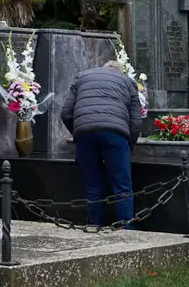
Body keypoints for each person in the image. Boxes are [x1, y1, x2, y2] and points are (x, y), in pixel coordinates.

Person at [58, 60, 143, 228]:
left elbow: (66, 113)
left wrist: (78, 132)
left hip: (85, 135)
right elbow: (136, 123)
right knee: (122, 186)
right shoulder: (128, 82)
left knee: (93, 184)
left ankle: (94, 225)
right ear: (120, 72)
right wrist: (128, 146)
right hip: (115, 135)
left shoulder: (82, 77)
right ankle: (127, 230)